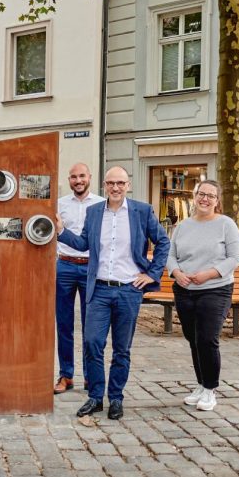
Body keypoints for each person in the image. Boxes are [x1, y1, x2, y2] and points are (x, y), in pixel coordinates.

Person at [56, 166, 169, 421]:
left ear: (128, 185)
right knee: (92, 342)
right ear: (104, 186)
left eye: (120, 183)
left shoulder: (141, 211)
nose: (115, 188)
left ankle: (115, 397)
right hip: (99, 289)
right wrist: (62, 231)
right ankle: (96, 397)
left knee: (121, 349)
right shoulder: (94, 211)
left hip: (129, 290)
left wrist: (152, 273)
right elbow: (84, 243)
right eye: (110, 183)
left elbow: (163, 242)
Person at [166, 180, 239, 412]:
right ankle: (200, 384)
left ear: (217, 201)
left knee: (208, 338)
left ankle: (210, 389)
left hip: (215, 289)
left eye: (211, 195)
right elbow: (170, 256)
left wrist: (209, 275)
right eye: (201, 194)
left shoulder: (225, 225)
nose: (205, 199)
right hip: (185, 289)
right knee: (194, 339)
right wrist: (177, 273)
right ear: (195, 196)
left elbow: (235, 257)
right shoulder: (182, 226)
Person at [54, 163, 104, 394]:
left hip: (90, 268)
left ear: (89, 177)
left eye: (82, 176)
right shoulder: (60, 204)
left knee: (90, 325)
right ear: (69, 179)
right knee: (64, 324)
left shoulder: (101, 204)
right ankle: (66, 375)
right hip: (64, 265)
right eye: (73, 177)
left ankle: (89, 375)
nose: (78, 180)